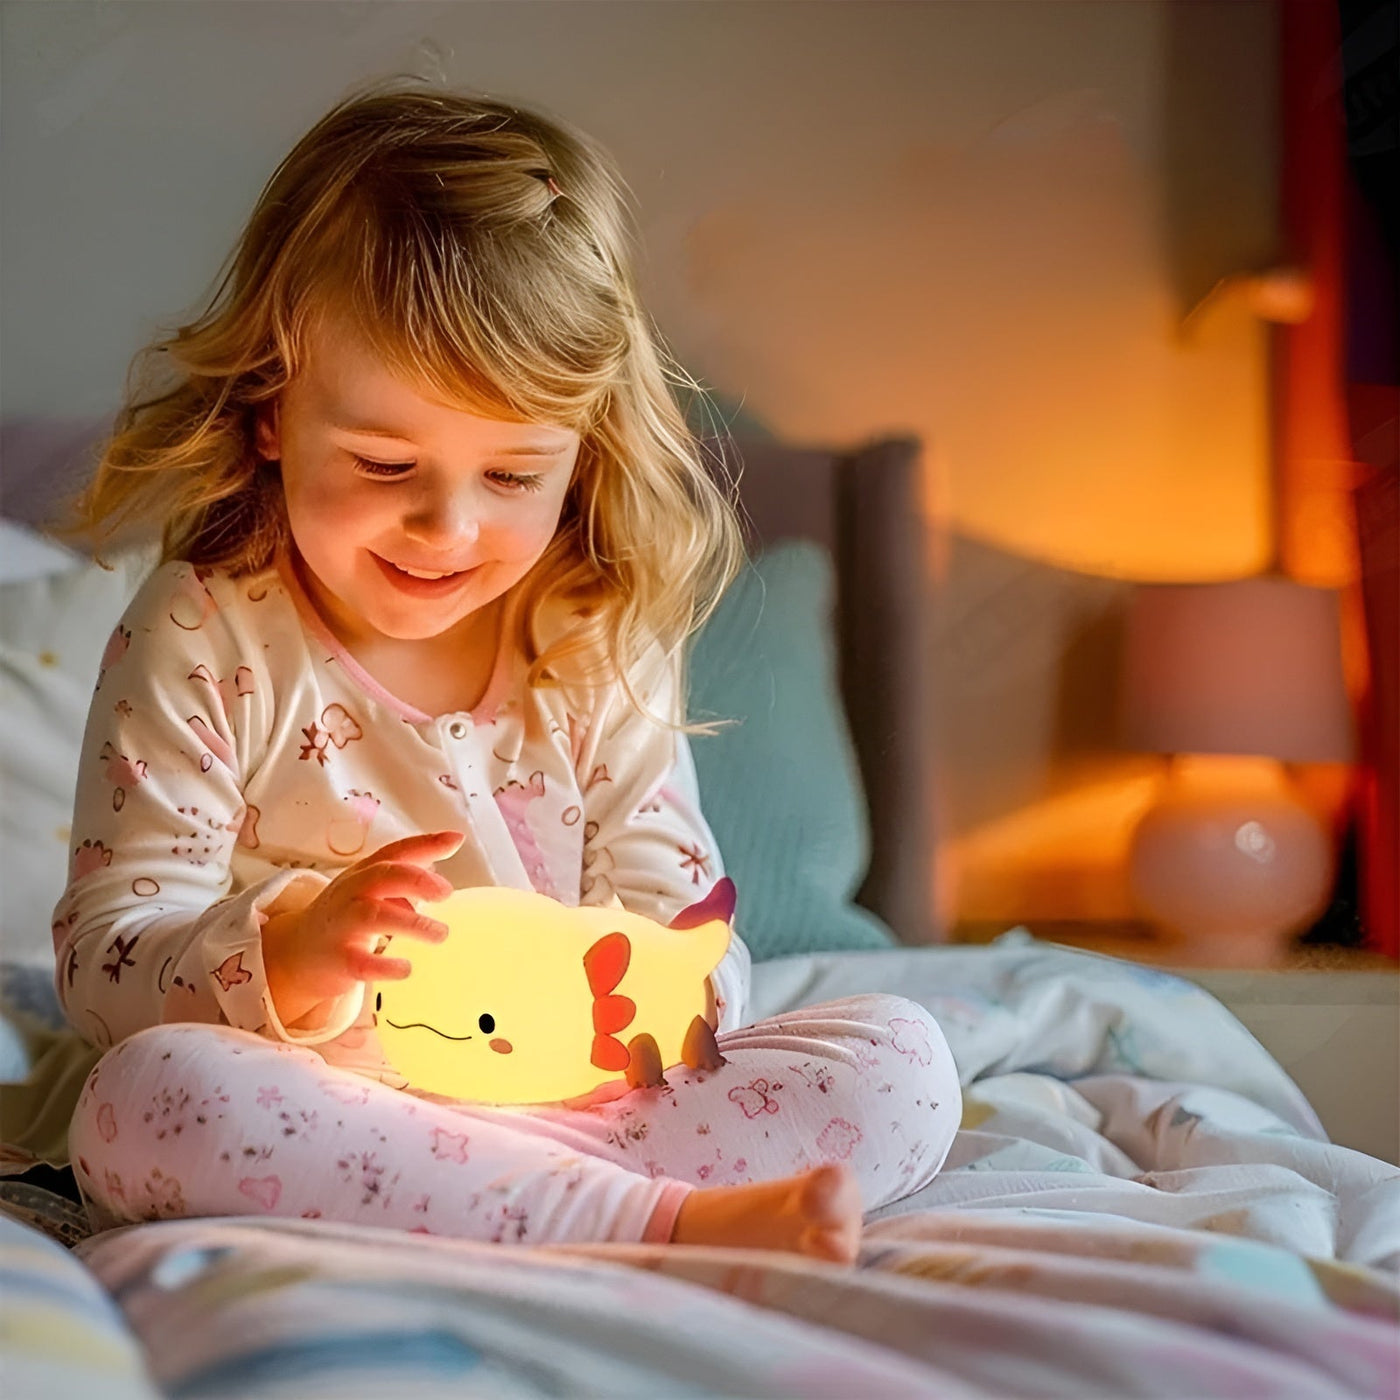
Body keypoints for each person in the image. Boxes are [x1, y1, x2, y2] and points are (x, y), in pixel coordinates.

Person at [56, 83, 960, 1260]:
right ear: (274, 405)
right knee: (149, 1103)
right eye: (385, 462)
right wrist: (286, 952)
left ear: (579, 449)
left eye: (512, 475)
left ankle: (497, 1192)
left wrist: (660, 991)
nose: (445, 525)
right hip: (322, 1095)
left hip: (578, 1089)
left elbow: (677, 911)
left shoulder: (592, 632)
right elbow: (107, 954)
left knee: (902, 1062)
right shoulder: (204, 633)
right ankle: (648, 1220)